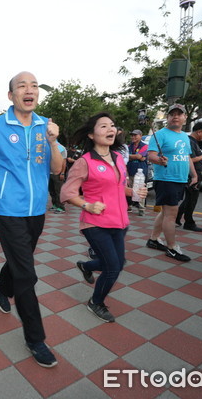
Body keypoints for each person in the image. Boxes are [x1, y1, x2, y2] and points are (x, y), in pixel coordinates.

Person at [0, 71, 63, 368]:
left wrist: (54, 142)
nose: (29, 90)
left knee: (20, 263)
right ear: (11, 95)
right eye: (22, 86)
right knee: (27, 275)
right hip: (9, 211)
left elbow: (57, 169)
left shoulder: (47, 126)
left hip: (37, 212)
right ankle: (35, 338)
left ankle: (1, 288)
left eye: (33, 86)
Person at [61, 112, 148, 323]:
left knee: (118, 262)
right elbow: (67, 193)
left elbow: (119, 188)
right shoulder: (85, 162)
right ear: (91, 135)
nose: (110, 129)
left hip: (119, 221)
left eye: (112, 126)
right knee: (113, 267)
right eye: (103, 126)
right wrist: (87, 205)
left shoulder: (118, 158)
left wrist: (134, 192)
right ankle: (96, 302)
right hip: (95, 224)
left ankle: (86, 265)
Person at [146, 104, 198, 262]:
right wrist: (159, 161)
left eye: (179, 114)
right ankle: (172, 247)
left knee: (165, 212)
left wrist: (194, 175)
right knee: (171, 214)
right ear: (167, 118)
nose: (175, 116)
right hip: (166, 179)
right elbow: (151, 156)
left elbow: (187, 157)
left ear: (185, 117)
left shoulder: (184, 136)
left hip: (180, 179)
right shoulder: (161, 134)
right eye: (172, 114)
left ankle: (153, 239)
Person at [175, 121, 202, 232]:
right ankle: (189, 222)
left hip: (194, 174)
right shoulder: (189, 142)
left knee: (189, 198)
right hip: (192, 175)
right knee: (192, 199)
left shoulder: (193, 142)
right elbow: (190, 160)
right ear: (199, 132)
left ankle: (177, 218)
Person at [127, 129, 148, 216]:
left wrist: (131, 157)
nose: (133, 137)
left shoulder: (145, 146)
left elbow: (140, 156)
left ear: (140, 135)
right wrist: (136, 157)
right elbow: (125, 157)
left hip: (141, 173)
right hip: (130, 171)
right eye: (132, 135)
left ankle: (141, 208)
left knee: (140, 190)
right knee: (129, 189)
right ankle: (129, 206)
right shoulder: (128, 146)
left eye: (135, 135)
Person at [48, 142, 67, 214]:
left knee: (58, 191)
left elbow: (64, 162)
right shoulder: (48, 146)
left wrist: (62, 172)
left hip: (58, 173)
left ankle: (61, 207)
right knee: (52, 190)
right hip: (49, 173)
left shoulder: (61, 148)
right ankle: (55, 205)